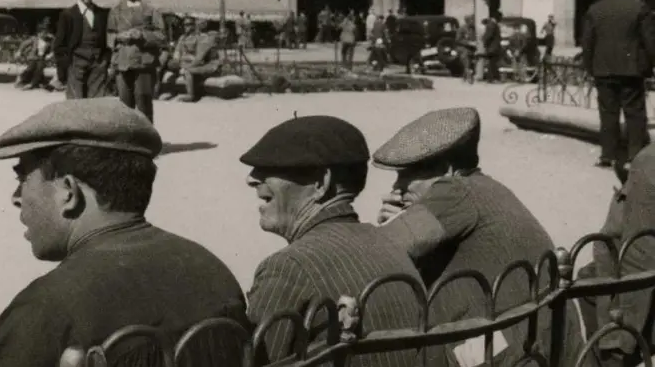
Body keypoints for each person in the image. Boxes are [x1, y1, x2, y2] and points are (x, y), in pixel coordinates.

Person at [0, 97, 248, 367]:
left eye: (23, 178)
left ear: (68, 193)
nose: (16, 197)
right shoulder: (213, 270)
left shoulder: (47, 308)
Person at [373, 107, 588, 367]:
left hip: (512, 345)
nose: (397, 187)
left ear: (447, 169)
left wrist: (396, 224)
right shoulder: (482, 187)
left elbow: (378, 255)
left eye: (407, 175)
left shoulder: (454, 190)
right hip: (536, 334)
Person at [240, 116, 456, 367]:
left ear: (321, 183)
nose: (252, 179)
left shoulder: (289, 266)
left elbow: (253, 361)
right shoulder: (389, 244)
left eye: (270, 170)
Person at [577, 142, 655, 367]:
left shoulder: (649, 161)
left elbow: (638, 255)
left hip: (636, 279)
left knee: (589, 284)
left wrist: (617, 339)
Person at [582, 0, 655, 170]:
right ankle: (634, 156)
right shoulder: (640, 7)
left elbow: (587, 43)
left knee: (607, 113)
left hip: (603, 69)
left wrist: (590, 67)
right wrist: (650, 65)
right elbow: (649, 41)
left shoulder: (596, 9)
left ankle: (607, 156)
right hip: (631, 69)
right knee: (634, 112)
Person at [107, 0, 166, 123]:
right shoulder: (115, 10)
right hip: (123, 62)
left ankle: (148, 142)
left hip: (143, 63)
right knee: (124, 105)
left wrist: (142, 36)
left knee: (143, 102)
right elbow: (109, 35)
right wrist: (119, 36)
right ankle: (128, 143)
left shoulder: (151, 9)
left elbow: (162, 37)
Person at [53, 0, 109, 100]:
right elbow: (59, 46)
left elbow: (106, 41)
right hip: (75, 65)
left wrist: (104, 62)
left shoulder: (102, 14)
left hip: (97, 66)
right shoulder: (68, 14)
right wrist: (63, 72)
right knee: (75, 105)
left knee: (96, 103)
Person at [172, 17, 221, 102]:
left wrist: (185, 66)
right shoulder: (183, 38)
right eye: (184, 25)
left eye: (188, 24)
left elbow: (199, 59)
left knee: (188, 71)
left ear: (194, 26)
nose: (185, 27)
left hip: (209, 65)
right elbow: (177, 53)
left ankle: (190, 95)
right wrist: (177, 61)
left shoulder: (204, 38)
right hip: (189, 63)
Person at [14, 18, 55, 91]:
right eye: (42, 33)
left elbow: (53, 49)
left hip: (42, 58)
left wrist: (51, 54)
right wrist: (19, 51)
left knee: (39, 68)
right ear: (38, 33)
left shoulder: (49, 41)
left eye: (45, 33)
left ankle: (32, 84)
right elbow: (24, 44)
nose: (43, 34)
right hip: (33, 57)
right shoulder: (34, 39)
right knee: (31, 67)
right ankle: (22, 78)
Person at [482, 14, 502, 83]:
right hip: (493, 47)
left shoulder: (492, 24)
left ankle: (492, 78)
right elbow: (488, 36)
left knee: (492, 63)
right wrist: (485, 42)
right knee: (492, 63)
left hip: (492, 47)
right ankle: (493, 78)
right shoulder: (492, 24)